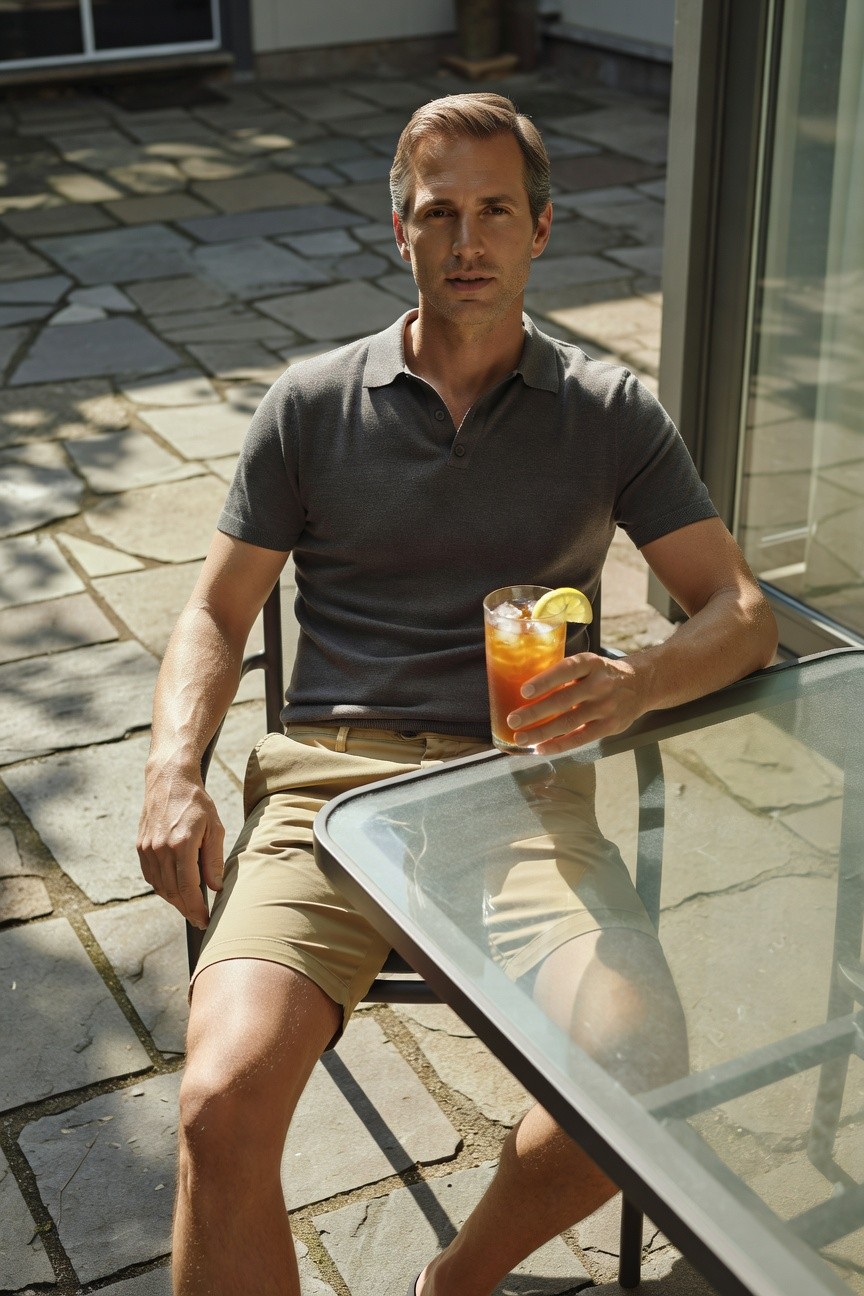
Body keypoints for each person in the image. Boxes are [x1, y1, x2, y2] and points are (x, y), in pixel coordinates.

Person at [137, 92, 777, 1296]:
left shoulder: (608, 413)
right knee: (219, 1109)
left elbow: (740, 611)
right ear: (402, 231)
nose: (468, 242)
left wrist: (633, 683)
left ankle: (459, 1282)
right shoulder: (310, 405)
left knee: (640, 1079)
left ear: (543, 229)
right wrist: (175, 767)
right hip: (330, 791)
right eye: (440, 213)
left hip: (518, 792)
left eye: (495, 212)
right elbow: (217, 613)